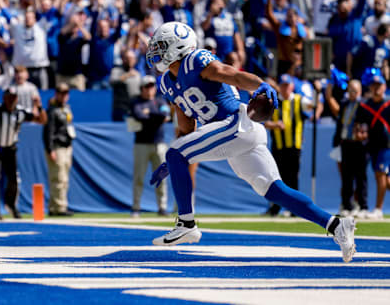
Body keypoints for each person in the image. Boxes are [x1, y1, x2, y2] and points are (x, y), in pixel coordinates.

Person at [146, 22, 356, 263]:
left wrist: (260, 85)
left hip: (236, 124)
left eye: (160, 46)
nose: (155, 51)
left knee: (177, 153)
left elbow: (230, 74)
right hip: (234, 133)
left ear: (179, 46)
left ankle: (186, 224)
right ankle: (337, 225)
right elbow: (186, 126)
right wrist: (176, 162)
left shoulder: (195, 60)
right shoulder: (166, 83)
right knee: (274, 190)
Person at [0, 86, 47, 220]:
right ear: (4, 99)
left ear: (17, 99)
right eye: (9, 98)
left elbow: (42, 121)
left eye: (14, 98)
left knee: (14, 179)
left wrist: (39, 106)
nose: (11, 101)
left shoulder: (20, 112)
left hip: (10, 148)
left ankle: (11, 204)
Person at [263, 74, 312, 216]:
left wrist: (317, 93)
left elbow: (312, 106)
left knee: (292, 178)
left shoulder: (298, 100)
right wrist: (275, 125)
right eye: (282, 85)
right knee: (276, 178)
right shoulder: (273, 101)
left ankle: (294, 209)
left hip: (294, 146)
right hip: (278, 145)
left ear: (291, 86)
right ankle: (275, 207)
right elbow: (265, 122)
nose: (285, 89)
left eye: (287, 85)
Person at [130, 75, 171, 217]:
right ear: (141, 88)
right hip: (142, 144)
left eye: (152, 86)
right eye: (147, 86)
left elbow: (165, 114)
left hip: (159, 144)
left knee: (161, 177)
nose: (150, 89)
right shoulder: (136, 102)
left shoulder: (160, 100)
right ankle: (136, 207)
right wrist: (156, 116)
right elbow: (139, 116)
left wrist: (152, 115)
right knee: (139, 177)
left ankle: (162, 207)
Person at [355, 73, 390, 220]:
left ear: (384, 87)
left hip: (386, 145)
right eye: (374, 85)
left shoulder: (388, 104)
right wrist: (359, 133)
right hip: (371, 146)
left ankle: (378, 209)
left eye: (379, 86)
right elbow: (359, 125)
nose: (376, 89)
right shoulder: (365, 105)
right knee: (386, 180)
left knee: (380, 174)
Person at [334, 80, 368, 217]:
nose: (352, 93)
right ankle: (347, 205)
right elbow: (340, 124)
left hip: (359, 144)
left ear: (359, 91)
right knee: (346, 177)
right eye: (350, 90)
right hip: (346, 143)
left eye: (354, 91)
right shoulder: (344, 105)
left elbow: (366, 125)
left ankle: (362, 205)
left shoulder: (363, 105)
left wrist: (363, 134)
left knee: (360, 177)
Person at [43, 83, 75, 216]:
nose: (64, 96)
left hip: (66, 146)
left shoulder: (66, 108)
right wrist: (50, 149)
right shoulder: (52, 110)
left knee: (64, 178)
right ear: (56, 94)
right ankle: (59, 207)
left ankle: (55, 206)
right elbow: (48, 131)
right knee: (58, 178)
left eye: (66, 93)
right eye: (61, 93)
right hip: (57, 146)